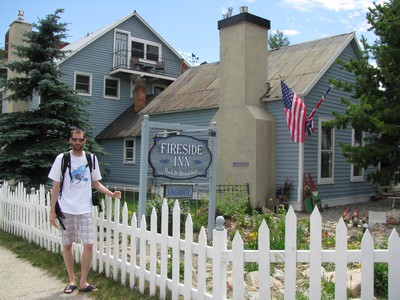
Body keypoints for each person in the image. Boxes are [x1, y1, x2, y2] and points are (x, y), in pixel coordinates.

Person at [48, 128, 121, 294]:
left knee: (88, 245)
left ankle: (83, 282)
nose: (78, 143)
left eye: (80, 140)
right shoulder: (62, 159)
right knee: (67, 245)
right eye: (75, 140)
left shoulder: (91, 159)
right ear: (70, 140)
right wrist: (52, 212)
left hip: (85, 209)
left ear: (85, 141)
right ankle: (71, 280)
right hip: (66, 209)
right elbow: (55, 187)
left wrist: (111, 194)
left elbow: (96, 183)